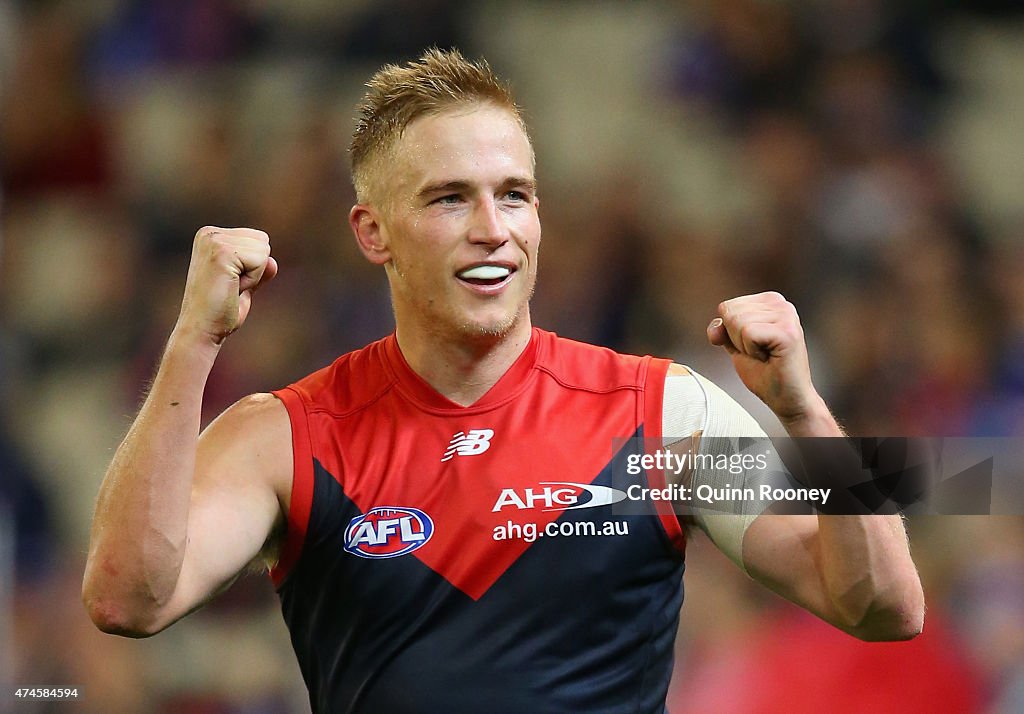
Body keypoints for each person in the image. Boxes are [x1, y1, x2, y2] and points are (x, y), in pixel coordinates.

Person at [83, 49, 924, 713]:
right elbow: (128, 599)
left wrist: (806, 412)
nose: (493, 230)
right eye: (450, 199)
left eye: (514, 195)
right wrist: (195, 339)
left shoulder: (660, 415)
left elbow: (885, 607)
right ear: (373, 233)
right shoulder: (289, 435)